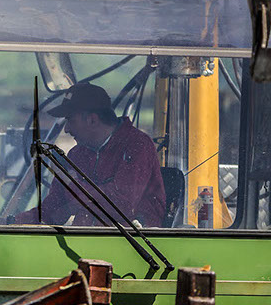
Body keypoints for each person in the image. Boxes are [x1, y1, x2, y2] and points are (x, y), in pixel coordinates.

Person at [10, 82, 166, 227]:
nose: (67, 129)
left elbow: (120, 207)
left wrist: (70, 180)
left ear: (92, 120)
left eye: (70, 120)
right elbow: (53, 209)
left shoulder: (137, 145)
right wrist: (10, 222)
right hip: (87, 241)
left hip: (133, 247)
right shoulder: (77, 154)